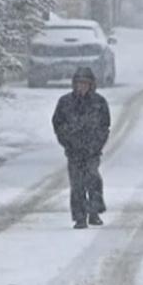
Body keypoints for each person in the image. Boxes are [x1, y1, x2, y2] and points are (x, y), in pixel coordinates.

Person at [52, 67, 110, 229]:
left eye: (85, 83)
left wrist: (97, 143)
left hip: (92, 150)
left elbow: (105, 125)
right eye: (79, 83)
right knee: (77, 184)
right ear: (74, 84)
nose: (82, 87)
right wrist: (67, 141)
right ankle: (79, 217)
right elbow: (58, 124)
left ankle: (94, 211)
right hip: (73, 150)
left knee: (93, 178)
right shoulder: (65, 103)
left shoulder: (99, 102)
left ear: (91, 85)